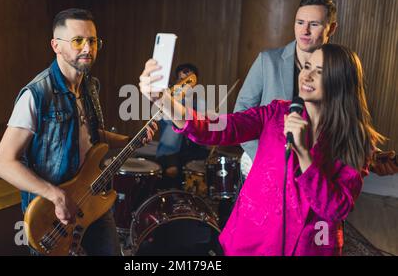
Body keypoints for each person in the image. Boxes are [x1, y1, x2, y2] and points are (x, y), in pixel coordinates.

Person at [139, 43, 384, 255]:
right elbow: (220, 127)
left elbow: (335, 208)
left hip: (308, 247)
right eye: (307, 66)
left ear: (340, 82)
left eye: (319, 72)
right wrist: (164, 101)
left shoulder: (356, 140)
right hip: (251, 239)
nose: (306, 76)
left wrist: (305, 155)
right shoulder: (277, 112)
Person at [0, 8, 155, 256]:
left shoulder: (90, 85)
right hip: (53, 217)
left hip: (93, 201)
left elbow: (91, 136)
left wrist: (130, 140)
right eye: (78, 41)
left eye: (92, 41)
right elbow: (2, 163)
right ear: (56, 45)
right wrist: (55, 196)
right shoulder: (37, 94)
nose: (88, 49)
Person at [234, 0, 337, 181]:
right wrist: (267, 159)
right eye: (300, 22)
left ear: (331, 29)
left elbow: (347, 119)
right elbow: (241, 114)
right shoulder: (268, 61)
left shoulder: (340, 69)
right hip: (262, 167)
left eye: (314, 24)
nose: (304, 31)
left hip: (311, 171)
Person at [156, 63, 209, 189]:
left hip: (194, 152)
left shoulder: (201, 103)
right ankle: (170, 162)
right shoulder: (169, 99)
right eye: (182, 80)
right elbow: (170, 121)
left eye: (189, 81)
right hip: (172, 154)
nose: (186, 84)